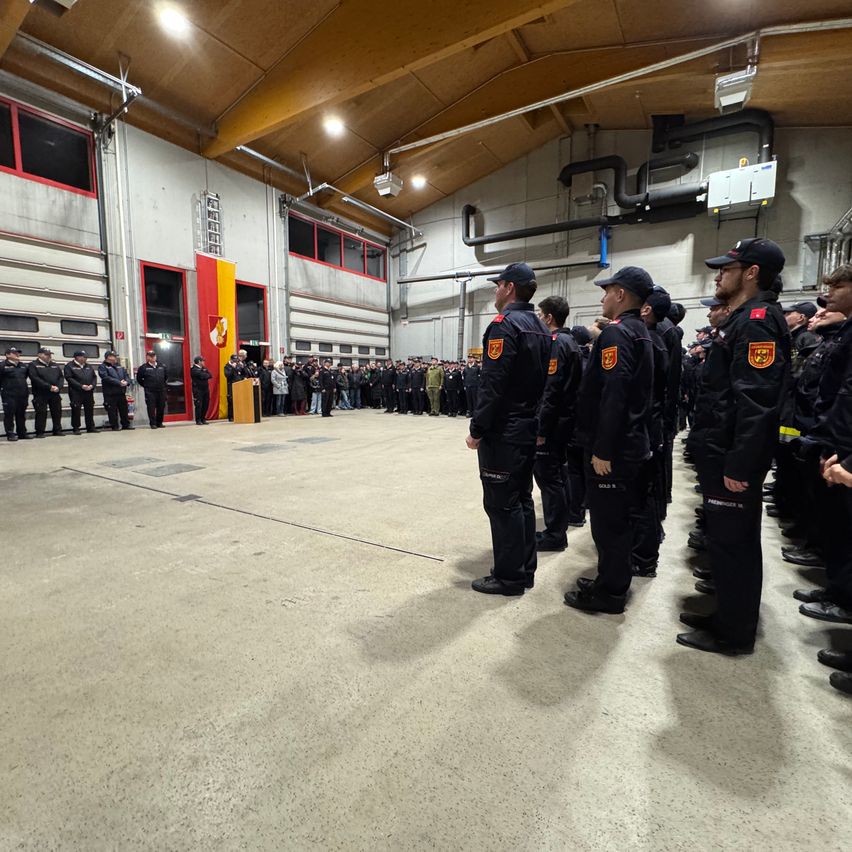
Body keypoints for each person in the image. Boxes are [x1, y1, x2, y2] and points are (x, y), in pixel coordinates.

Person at [679, 237, 789, 655]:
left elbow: (757, 402)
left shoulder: (757, 320)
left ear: (752, 272)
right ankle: (727, 615)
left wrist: (741, 466)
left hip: (731, 458)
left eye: (727, 268)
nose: (719, 274)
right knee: (726, 544)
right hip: (721, 450)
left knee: (734, 546)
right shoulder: (743, 319)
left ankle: (734, 632)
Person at [564, 267, 654, 615]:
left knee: (609, 525)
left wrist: (602, 449)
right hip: (629, 441)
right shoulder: (639, 332)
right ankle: (609, 580)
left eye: (607, 290)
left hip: (613, 449)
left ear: (621, 295)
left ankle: (611, 593)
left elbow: (613, 395)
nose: (603, 297)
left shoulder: (617, 335)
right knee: (617, 520)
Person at [466, 262, 552, 596]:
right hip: (528, 426)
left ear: (510, 288)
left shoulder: (504, 326)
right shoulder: (541, 328)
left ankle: (509, 576)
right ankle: (524, 568)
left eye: (498, 284)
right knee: (522, 499)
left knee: (502, 505)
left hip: (504, 431)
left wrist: (477, 428)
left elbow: (492, 384)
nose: (495, 291)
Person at [533, 295, 582, 552]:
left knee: (549, 478)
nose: (539, 319)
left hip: (553, 424)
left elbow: (551, 391)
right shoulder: (570, 341)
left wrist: (541, 429)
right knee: (558, 477)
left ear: (549, 317)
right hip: (564, 421)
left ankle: (554, 534)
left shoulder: (557, 343)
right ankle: (557, 529)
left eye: (540, 315)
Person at [28, 347, 65, 437]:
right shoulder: (33, 365)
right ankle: (40, 432)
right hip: (41, 393)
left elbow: (61, 377)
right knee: (41, 412)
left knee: (57, 412)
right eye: (46, 354)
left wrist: (58, 387)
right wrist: (49, 387)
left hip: (55, 393)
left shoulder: (54, 365)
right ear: (39, 355)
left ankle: (57, 430)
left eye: (49, 354)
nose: (49, 356)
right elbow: (35, 378)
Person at [64, 351, 98, 435]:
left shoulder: (88, 366)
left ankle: (90, 427)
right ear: (77, 357)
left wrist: (92, 386)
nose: (85, 358)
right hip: (76, 392)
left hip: (88, 392)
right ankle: (76, 428)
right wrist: (81, 386)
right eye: (83, 357)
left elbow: (94, 377)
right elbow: (69, 378)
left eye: (86, 357)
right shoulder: (69, 366)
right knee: (76, 410)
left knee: (89, 409)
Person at [1, 346, 31, 441]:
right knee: (9, 415)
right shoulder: (2, 365)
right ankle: (10, 434)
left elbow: (24, 377)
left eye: (18, 353)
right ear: (7, 355)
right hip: (9, 395)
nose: (18, 354)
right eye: (15, 353)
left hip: (22, 394)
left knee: (21, 414)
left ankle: (22, 433)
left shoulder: (23, 366)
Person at [98, 351, 132, 430]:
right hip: (110, 393)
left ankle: (125, 425)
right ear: (108, 357)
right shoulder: (103, 367)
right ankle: (114, 426)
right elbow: (105, 377)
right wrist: (118, 382)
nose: (115, 358)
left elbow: (126, 375)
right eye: (114, 356)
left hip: (121, 392)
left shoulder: (119, 366)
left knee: (124, 409)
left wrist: (127, 382)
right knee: (112, 411)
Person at [136, 349, 168, 429]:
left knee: (161, 407)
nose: (153, 357)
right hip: (150, 391)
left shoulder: (162, 366)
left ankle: (159, 422)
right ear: (147, 357)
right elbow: (139, 379)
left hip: (161, 390)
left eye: (154, 356)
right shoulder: (143, 367)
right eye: (150, 356)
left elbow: (166, 377)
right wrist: (147, 386)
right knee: (151, 407)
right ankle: (152, 423)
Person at [223, 353, 247, 421]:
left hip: (239, 386)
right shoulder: (227, 366)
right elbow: (228, 375)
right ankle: (231, 417)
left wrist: (243, 367)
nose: (236, 361)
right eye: (234, 360)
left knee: (239, 400)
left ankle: (238, 415)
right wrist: (233, 368)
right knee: (231, 401)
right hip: (231, 386)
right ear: (231, 360)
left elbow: (244, 374)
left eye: (236, 360)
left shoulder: (238, 365)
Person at [190, 356, 212, 424]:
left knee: (206, 404)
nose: (204, 362)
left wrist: (204, 374)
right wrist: (204, 374)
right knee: (199, 405)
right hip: (198, 389)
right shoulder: (193, 369)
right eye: (203, 361)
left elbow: (210, 375)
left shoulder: (204, 368)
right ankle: (198, 420)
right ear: (199, 361)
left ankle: (203, 419)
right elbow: (202, 376)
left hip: (205, 389)